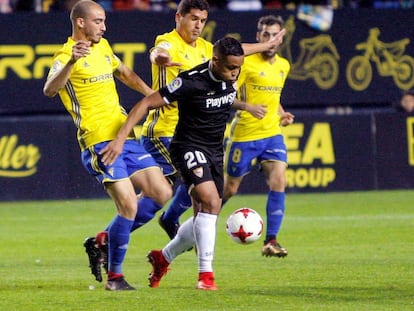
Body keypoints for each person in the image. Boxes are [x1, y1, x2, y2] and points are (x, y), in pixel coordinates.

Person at [100, 37, 265, 290]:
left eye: (239, 68)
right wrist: (121, 137)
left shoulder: (229, 74)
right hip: (187, 147)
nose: (236, 73)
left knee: (207, 212)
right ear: (215, 60)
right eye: (231, 68)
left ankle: (163, 257)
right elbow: (146, 102)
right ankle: (206, 277)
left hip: (214, 151)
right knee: (210, 202)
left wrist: (247, 105)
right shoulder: (191, 81)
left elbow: (222, 97)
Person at [43, 0, 172, 290]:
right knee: (127, 205)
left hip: (123, 137)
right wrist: (73, 61)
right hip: (98, 142)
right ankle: (115, 278)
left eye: (103, 21)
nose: (104, 26)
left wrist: (154, 95)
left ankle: (101, 240)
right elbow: (50, 89)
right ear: (81, 23)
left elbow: (125, 74)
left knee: (162, 192)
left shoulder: (103, 47)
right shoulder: (65, 56)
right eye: (98, 21)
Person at [145, 0, 286, 241]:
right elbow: (158, 51)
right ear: (178, 17)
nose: (198, 25)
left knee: (199, 196)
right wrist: (159, 58)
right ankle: (112, 239)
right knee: (173, 194)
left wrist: (268, 44)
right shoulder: (168, 42)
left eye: (202, 20)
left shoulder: (206, 49)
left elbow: (237, 50)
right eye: (193, 19)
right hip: (168, 130)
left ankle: (191, 257)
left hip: (195, 132)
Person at [222, 15, 294, 258]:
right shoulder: (245, 64)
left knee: (279, 179)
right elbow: (224, 96)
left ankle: (271, 240)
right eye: (265, 34)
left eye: (274, 34)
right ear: (258, 36)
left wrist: (282, 114)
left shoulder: (283, 66)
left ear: (281, 36)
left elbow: (273, 99)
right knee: (229, 189)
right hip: (244, 135)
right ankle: (201, 225)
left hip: (272, 133)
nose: (269, 39)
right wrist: (247, 107)